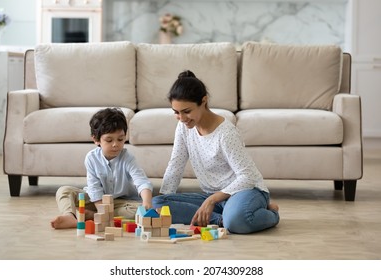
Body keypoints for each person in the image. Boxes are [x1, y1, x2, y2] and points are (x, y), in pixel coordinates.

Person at [152, 70, 279, 234]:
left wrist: (213, 199)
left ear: (203, 101)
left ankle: (271, 214)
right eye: (176, 112)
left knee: (237, 221)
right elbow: (176, 164)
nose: (182, 118)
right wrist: (164, 202)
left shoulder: (226, 133)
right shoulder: (184, 127)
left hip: (245, 190)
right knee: (158, 204)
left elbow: (247, 177)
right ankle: (221, 219)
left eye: (187, 111)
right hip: (214, 198)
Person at [51, 108, 153, 229]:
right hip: (96, 200)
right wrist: (102, 210)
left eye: (120, 139)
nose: (115, 144)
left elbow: (141, 181)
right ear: (96, 139)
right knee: (64, 191)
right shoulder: (91, 158)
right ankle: (69, 215)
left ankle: (92, 216)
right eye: (109, 140)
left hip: (120, 202)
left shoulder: (128, 158)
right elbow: (94, 188)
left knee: (137, 210)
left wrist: (147, 203)